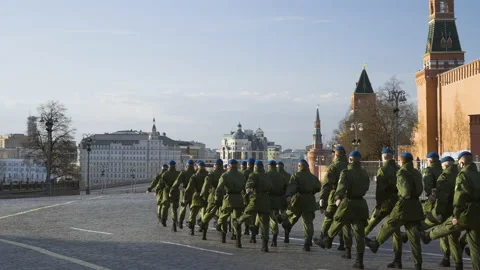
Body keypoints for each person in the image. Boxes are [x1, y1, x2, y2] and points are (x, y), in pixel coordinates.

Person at [420, 151, 480, 270]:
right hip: (477, 213)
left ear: (462, 163)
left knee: (447, 227)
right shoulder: (478, 175)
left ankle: (428, 236)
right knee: (474, 247)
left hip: (465, 212)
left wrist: (456, 215)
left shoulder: (462, 176)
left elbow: (459, 197)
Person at [365, 152, 424, 270]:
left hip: (404, 204)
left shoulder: (401, 172)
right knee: (414, 237)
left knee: (390, 224)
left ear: (402, 161)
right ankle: (418, 264)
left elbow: (404, 191)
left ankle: (375, 243)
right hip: (416, 205)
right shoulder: (417, 173)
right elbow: (420, 188)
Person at [316, 151, 369, 269]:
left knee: (338, 220)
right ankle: (359, 261)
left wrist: (338, 197)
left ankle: (327, 240)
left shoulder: (346, 172)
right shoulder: (364, 173)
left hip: (348, 202)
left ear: (350, 159)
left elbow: (341, 187)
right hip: (361, 204)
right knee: (359, 233)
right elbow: (366, 187)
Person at [418, 156, 460, 267]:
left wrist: (439, 212)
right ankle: (458, 263)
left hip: (445, 210)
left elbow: (443, 198)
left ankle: (446, 257)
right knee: (453, 237)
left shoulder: (445, 176)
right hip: (458, 210)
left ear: (445, 165)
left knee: (443, 232)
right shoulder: (461, 174)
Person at [364, 148, 403, 268]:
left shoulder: (383, 170)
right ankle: (397, 259)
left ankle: (359, 243)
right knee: (395, 230)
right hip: (396, 202)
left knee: (370, 223)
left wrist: (377, 205)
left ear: (383, 157)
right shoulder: (399, 169)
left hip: (385, 202)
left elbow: (379, 190)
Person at [282, 159, 321, 251]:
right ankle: (307, 242)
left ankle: (286, 225)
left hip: (299, 199)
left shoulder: (296, 176)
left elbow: (292, 187)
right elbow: (318, 187)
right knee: (308, 222)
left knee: (294, 215)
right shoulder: (313, 177)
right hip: (310, 200)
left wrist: (289, 195)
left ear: (299, 166)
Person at [315, 145, 349, 251]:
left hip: (335, 196)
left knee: (329, 218)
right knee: (344, 220)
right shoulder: (349, 166)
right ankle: (343, 244)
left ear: (336, 154)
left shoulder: (333, 167)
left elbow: (327, 184)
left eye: (334, 154)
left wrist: (322, 198)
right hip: (348, 197)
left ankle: (323, 238)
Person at [233, 160, 272, 252]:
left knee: (247, 213)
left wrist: (248, 191)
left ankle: (238, 222)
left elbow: (249, 185)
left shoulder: (253, 175)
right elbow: (271, 186)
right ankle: (264, 246)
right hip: (265, 200)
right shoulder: (267, 175)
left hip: (255, 199)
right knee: (265, 224)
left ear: (255, 167)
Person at [215, 159, 246, 247]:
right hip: (239, 199)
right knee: (237, 220)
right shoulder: (241, 175)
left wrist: (217, 197)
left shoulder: (225, 175)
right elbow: (245, 188)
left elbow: (219, 187)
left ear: (229, 165)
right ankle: (238, 240)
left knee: (224, 216)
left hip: (228, 198)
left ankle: (222, 232)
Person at [199, 159, 225, 240]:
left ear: (215, 165)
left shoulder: (212, 174)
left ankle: (204, 230)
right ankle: (223, 236)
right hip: (224, 196)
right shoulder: (225, 173)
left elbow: (206, 186)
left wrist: (202, 195)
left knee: (208, 213)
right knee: (223, 215)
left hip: (213, 196)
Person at [264, 160, 288, 247]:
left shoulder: (265, 175)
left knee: (271, 219)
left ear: (269, 166)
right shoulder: (282, 176)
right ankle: (278, 235)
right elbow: (286, 188)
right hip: (279, 199)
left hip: (268, 199)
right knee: (276, 215)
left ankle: (273, 237)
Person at [183, 161, 209, 235]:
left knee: (193, 213)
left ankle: (192, 230)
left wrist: (185, 198)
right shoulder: (208, 175)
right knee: (203, 212)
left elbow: (189, 188)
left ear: (197, 167)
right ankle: (204, 228)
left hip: (196, 196)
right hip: (205, 196)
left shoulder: (194, 176)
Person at [171, 160, 196, 229]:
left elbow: (177, 182)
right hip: (194, 193)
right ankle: (192, 223)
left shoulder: (183, 173)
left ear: (187, 165)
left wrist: (172, 189)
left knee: (183, 207)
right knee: (192, 209)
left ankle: (180, 222)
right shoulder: (196, 172)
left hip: (185, 192)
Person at [159, 161, 181, 231]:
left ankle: (163, 219)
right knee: (174, 208)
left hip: (167, 190)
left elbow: (161, 184)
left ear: (169, 165)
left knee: (165, 205)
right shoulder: (178, 173)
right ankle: (174, 222)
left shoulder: (165, 173)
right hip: (175, 191)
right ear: (175, 165)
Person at [277, 161, 292, 243]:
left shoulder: (274, 175)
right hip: (286, 198)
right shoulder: (288, 175)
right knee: (285, 216)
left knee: (273, 217)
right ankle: (286, 234)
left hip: (276, 198)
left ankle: (274, 238)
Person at [241, 158, 255, 238]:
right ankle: (253, 229)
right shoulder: (256, 173)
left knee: (246, 212)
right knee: (254, 214)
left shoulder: (244, 173)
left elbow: (241, 183)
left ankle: (247, 228)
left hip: (246, 196)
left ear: (248, 164)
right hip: (256, 197)